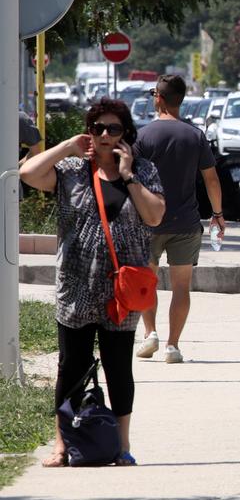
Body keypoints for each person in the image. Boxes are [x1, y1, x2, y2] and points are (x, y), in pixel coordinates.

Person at [19, 99, 166, 467]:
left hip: (120, 292)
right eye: (98, 128)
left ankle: (122, 445)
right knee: (71, 367)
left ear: (125, 134)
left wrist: (129, 175)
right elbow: (29, 173)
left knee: (119, 369)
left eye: (113, 129)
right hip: (76, 287)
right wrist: (67, 146)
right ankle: (61, 445)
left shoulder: (143, 171)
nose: (104, 135)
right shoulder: (72, 170)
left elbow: (154, 215)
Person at [134, 75, 224, 364]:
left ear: (158, 98)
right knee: (181, 287)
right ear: (180, 99)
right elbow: (211, 179)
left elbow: (130, 179)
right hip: (185, 222)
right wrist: (218, 215)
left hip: (147, 221)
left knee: (146, 281)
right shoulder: (194, 136)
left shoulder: (144, 136)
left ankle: (150, 333)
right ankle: (172, 345)